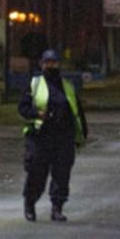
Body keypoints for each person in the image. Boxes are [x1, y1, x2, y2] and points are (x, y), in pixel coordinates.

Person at [18, 49, 87, 222]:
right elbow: (23, 108)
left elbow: (77, 112)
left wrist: (81, 135)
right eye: (47, 62)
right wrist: (37, 114)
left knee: (61, 175)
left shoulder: (67, 86)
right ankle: (30, 204)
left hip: (63, 137)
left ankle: (57, 208)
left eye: (54, 62)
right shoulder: (34, 84)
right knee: (36, 174)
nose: (51, 66)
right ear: (42, 64)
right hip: (40, 137)